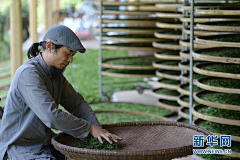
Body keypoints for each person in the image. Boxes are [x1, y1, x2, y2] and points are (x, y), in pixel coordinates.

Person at [0, 25, 122, 160]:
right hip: (19, 149)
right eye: (67, 53)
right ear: (50, 46)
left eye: (73, 55)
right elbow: (51, 116)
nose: (70, 60)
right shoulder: (28, 74)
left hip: (45, 144)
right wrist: (89, 128)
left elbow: (76, 103)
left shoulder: (55, 75)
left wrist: (98, 130)